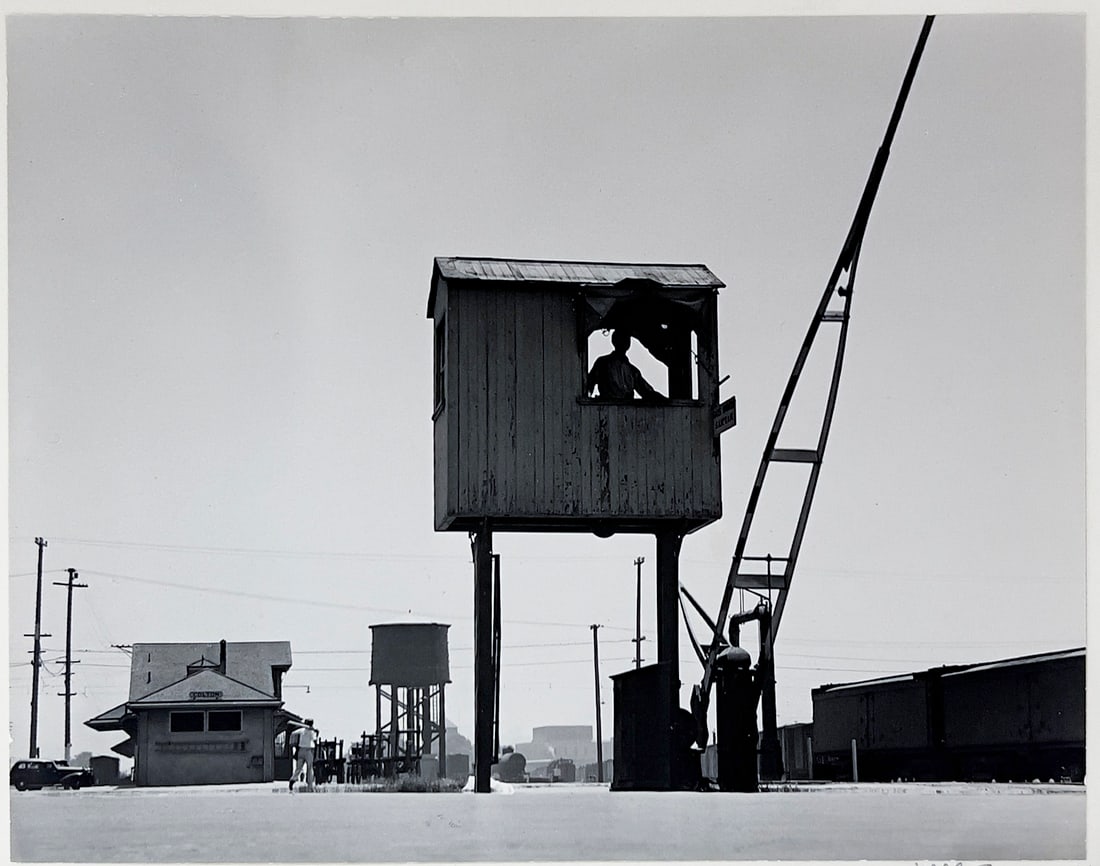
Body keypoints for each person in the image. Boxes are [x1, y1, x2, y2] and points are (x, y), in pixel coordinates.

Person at [586, 330, 664, 400]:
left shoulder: (632, 370)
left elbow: (646, 391)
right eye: (621, 339)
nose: (624, 342)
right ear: (614, 341)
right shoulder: (602, 363)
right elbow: (589, 384)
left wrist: (664, 400)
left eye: (626, 340)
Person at [288, 718, 319, 792]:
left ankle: (293, 779)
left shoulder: (301, 730)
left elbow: (293, 733)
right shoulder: (311, 732)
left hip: (301, 750)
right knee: (310, 768)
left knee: (298, 768)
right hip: (309, 750)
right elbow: (314, 739)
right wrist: (317, 732)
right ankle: (310, 785)